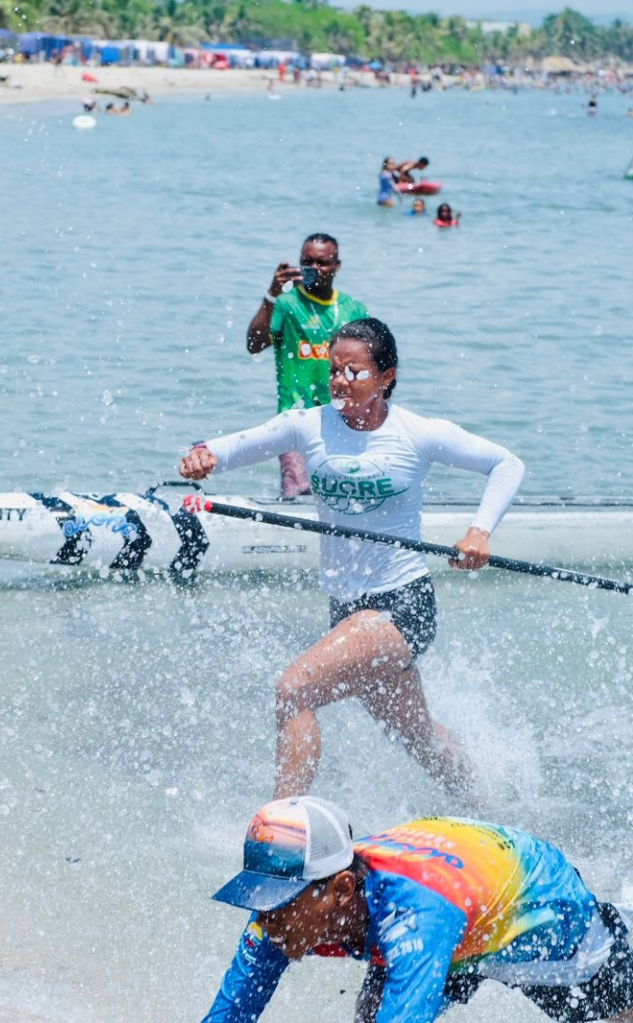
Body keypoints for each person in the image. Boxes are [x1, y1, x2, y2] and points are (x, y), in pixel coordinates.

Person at [182, 319, 524, 798]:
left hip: (401, 606)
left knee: (294, 691)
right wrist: (203, 456)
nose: (340, 381)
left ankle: (282, 824)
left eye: (354, 372)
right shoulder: (308, 425)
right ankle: (486, 803)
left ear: (386, 376)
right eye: (334, 370)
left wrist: (478, 532)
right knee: (418, 736)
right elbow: (232, 447)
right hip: (346, 609)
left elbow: (506, 464)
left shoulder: (418, 433)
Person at [204, 796, 633, 1023]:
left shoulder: (417, 921)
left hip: (534, 905)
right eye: (258, 899)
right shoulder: (284, 918)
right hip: (457, 893)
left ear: (339, 891)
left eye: (278, 903)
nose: (265, 918)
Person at [242, 234, 369, 498]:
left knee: (344, 495)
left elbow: (370, 367)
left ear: (336, 266)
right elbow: (254, 344)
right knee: (298, 491)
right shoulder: (286, 304)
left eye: (322, 263)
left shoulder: (353, 309)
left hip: (342, 418)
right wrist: (271, 295)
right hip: (295, 417)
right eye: (307, 262)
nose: (314, 268)